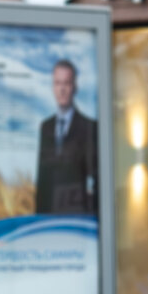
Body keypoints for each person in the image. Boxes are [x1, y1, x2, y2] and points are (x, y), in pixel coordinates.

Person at [35, 59, 98, 215]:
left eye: (66, 83)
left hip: (76, 217)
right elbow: (42, 177)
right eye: (57, 83)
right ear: (53, 87)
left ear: (74, 87)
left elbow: (96, 177)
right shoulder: (46, 127)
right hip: (48, 216)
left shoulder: (89, 127)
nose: (62, 89)